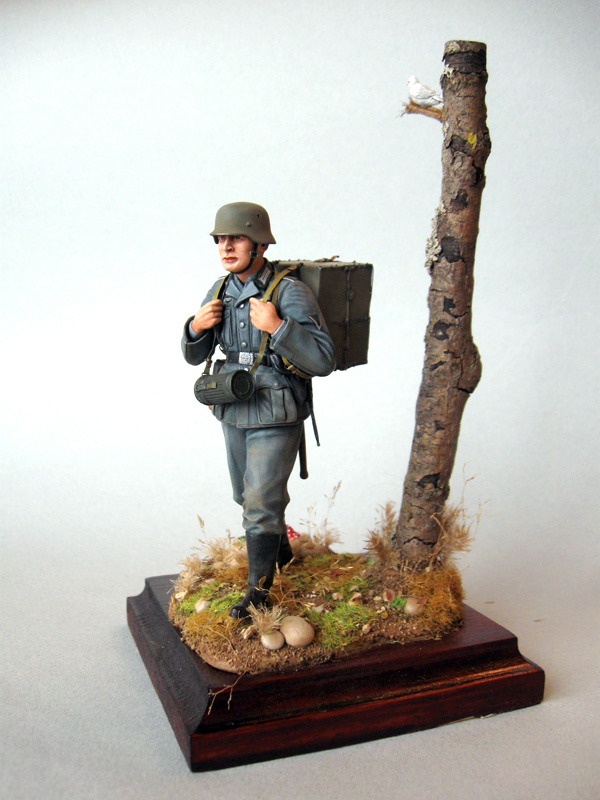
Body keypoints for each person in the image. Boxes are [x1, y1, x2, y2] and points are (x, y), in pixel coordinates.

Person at [182, 202, 335, 619]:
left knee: (260, 502)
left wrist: (278, 327)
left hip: (275, 409)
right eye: (221, 239)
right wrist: (195, 328)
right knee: (244, 495)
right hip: (233, 405)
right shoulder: (220, 290)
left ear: (260, 245)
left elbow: (323, 359)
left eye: (237, 238)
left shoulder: (289, 292)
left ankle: (259, 592)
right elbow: (193, 357)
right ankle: (280, 553)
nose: (226, 247)